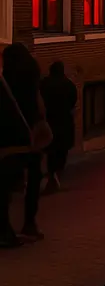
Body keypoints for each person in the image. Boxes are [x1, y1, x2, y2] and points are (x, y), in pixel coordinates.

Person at [1, 43, 45, 244]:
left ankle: (4, 229)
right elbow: (39, 107)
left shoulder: (5, 80)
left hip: (7, 139)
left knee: (4, 185)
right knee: (34, 179)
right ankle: (29, 222)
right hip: (29, 136)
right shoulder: (31, 77)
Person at [40, 61, 77, 192]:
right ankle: (57, 175)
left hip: (51, 121)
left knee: (51, 151)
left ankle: (52, 175)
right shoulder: (69, 85)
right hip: (65, 122)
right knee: (62, 150)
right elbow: (73, 101)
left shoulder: (45, 84)